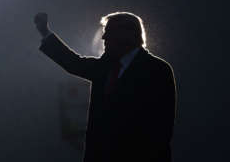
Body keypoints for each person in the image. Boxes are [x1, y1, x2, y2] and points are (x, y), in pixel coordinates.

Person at [34, 11, 177, 162]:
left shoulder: (157, 70)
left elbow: (161, 129)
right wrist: (45, 32)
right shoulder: (107, 66)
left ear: (127, 35)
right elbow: (74, 63)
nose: (103, 37)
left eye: (109, 32)